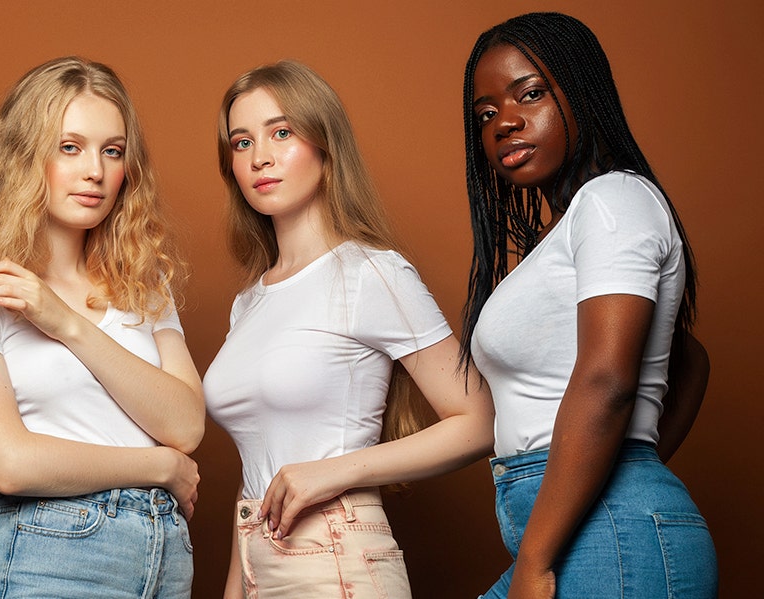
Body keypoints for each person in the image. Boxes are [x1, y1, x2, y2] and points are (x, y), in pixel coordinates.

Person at [202, 60, 495, 598]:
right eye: (241, 143)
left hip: (338, 557)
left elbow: (478, 420)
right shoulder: (249, 304)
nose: (260, 157)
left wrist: (332, 472)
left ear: (325, 144)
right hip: (258, 564)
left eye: (282, 132)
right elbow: (255, 481)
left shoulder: (370, 272)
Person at [461, 12, 716, 598]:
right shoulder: (575, 227)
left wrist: (542, 555)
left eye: (530, 94)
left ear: (581, 91)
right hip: (584, 525)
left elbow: (606, 380)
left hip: (604, 535)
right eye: (486, 114)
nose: (505, 123)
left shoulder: (614, 199)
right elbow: (689, 358)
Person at [0, 56, 204, 598]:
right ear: (25, 156)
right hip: (51, 547)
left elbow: (187, 424)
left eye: (113, 151)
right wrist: (158, 466)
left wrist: (65, 323)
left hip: (165, 552)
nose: (95, 172)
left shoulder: (142, 281)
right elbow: (8, 463)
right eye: (70, 147)